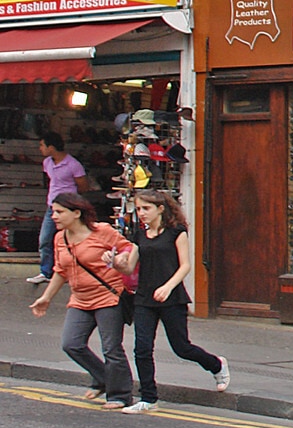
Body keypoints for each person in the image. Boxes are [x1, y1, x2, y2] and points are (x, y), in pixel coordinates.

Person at [29, 191, 136, 408]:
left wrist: (122, 260)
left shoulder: (102, 231)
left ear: (76, 213)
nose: (54, 217)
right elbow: (61, 270)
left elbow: (129, 247)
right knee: (71, 344)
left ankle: (120, 395)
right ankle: (103, 378)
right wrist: (46, 297)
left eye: (59, 212)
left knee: (111, 348)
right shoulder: (60, 238)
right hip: (80, 299)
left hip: (108, 296)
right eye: (53, 212)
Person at [127, 188, 228, 411]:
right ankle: (148, 398)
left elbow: (185, 266)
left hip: (172, 298)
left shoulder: (176, 232)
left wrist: (167, 287)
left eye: (146, 208)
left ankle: (216, 364)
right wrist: (113, 261)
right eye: (138, 209)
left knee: (181, 347)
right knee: (142, 348)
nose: (141, 213)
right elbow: (128, 265)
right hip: (144, 298)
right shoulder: (140, 234)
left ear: (160, 209)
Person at [27, 132, 87, 286]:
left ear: (51, 147)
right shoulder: (47, 162)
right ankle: (46, 272)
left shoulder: (73, 164)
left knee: (70, 239)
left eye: (42, 145)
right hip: (52, 206)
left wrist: (72, 201)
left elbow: (83, 186)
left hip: (69, 207)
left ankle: (72, 271)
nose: (40, 148)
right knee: (45, 239)